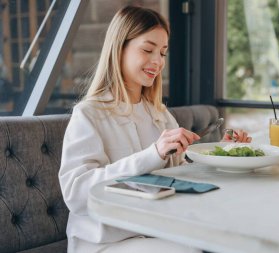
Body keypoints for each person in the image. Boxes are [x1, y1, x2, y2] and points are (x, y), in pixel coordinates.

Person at [59, 5, 251, 253]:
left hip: (154, 232)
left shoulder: (159, 114)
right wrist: (153, 154)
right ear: (119, 49)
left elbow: (181, 178)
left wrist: (223, 154)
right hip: (103, 242)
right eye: (148, 50)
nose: (157, 62)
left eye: (162, 53)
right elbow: (76, 195)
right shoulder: (89, 114)